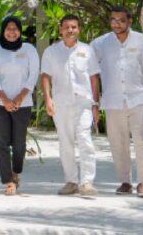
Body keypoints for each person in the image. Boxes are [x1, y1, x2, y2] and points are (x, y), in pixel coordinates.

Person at [92, 6, 143, 198]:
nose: (117, 24)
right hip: (113, 100)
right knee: (117, 142)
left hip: (138, 97)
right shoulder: (100, 44)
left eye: (121, 20)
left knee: (141, 140)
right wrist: (94, 100)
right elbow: (91, 72)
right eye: (113, 20)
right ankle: (125, 182)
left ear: (129, 21)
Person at [41, 14, 101, 197]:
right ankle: (71, 181)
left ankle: (87, 182)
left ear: (79, 29)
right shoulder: (51, 52)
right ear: (60, 29)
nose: (70, 30)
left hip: (83, 103)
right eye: (66, 27)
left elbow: (94, 77)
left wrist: (96, 104)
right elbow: (45, 76)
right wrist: (48, 99)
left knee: (85, 140)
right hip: (61, 103)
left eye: (74, 27)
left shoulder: (88, 50)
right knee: (65, 143)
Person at [0, 16, 39, 196]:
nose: (11, 32)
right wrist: (4, 99)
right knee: (1, 143)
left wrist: (18, 99)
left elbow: (33, 75)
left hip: (23, 103)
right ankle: (8, 181)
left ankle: (16, 173)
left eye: (15, 29)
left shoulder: (29, 49)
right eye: (8, 29)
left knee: (19, 143)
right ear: (3, 31)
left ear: (20, 31)